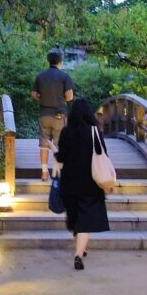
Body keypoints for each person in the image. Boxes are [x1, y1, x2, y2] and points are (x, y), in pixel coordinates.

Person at [54, 98, 111, 270]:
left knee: (75, 219)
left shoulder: (66, 132)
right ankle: (79, 254)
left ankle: (80, 247)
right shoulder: (95, 132)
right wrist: (108, 181)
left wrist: (53, 150)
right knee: (86, 220)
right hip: (91, 183)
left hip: (70, 183)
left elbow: (61, 157)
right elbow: (104, 157)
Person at [31, 50, 74, 181]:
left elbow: (34, 94)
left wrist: (42, 99)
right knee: (59, 145)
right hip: (60, 115)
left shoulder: (40, 76)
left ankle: (44, 173)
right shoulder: (64, 76)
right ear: (60, 61)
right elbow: (70, 96)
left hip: (44, 114)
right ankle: (59, 173)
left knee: (44, 144)